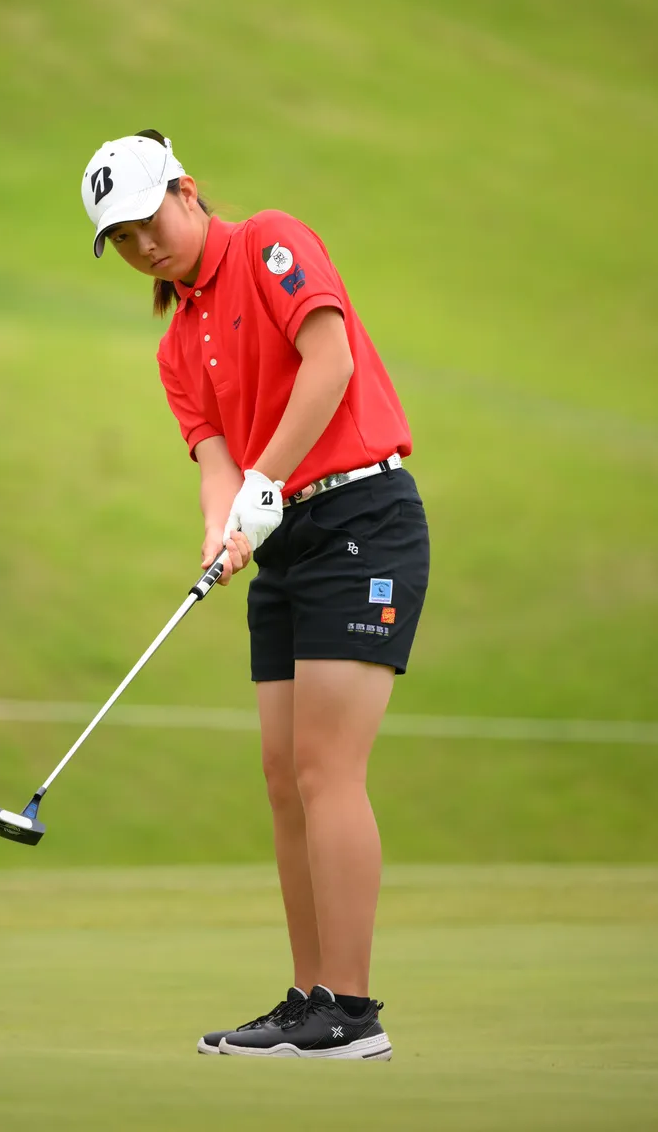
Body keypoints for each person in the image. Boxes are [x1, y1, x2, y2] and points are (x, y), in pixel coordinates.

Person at [80, 130, 430, 1060]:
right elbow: (215, 465)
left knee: (325, 767)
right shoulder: (175, 346)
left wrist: (263, 484)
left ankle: (351, 1011)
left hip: (362, 521)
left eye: (148, 221)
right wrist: (221, 527)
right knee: (283, 777)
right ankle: (309, 997)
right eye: (121, 239)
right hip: (284, 545)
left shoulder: (271, 241)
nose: (143, 246)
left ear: (186, 192)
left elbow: (331, 363)